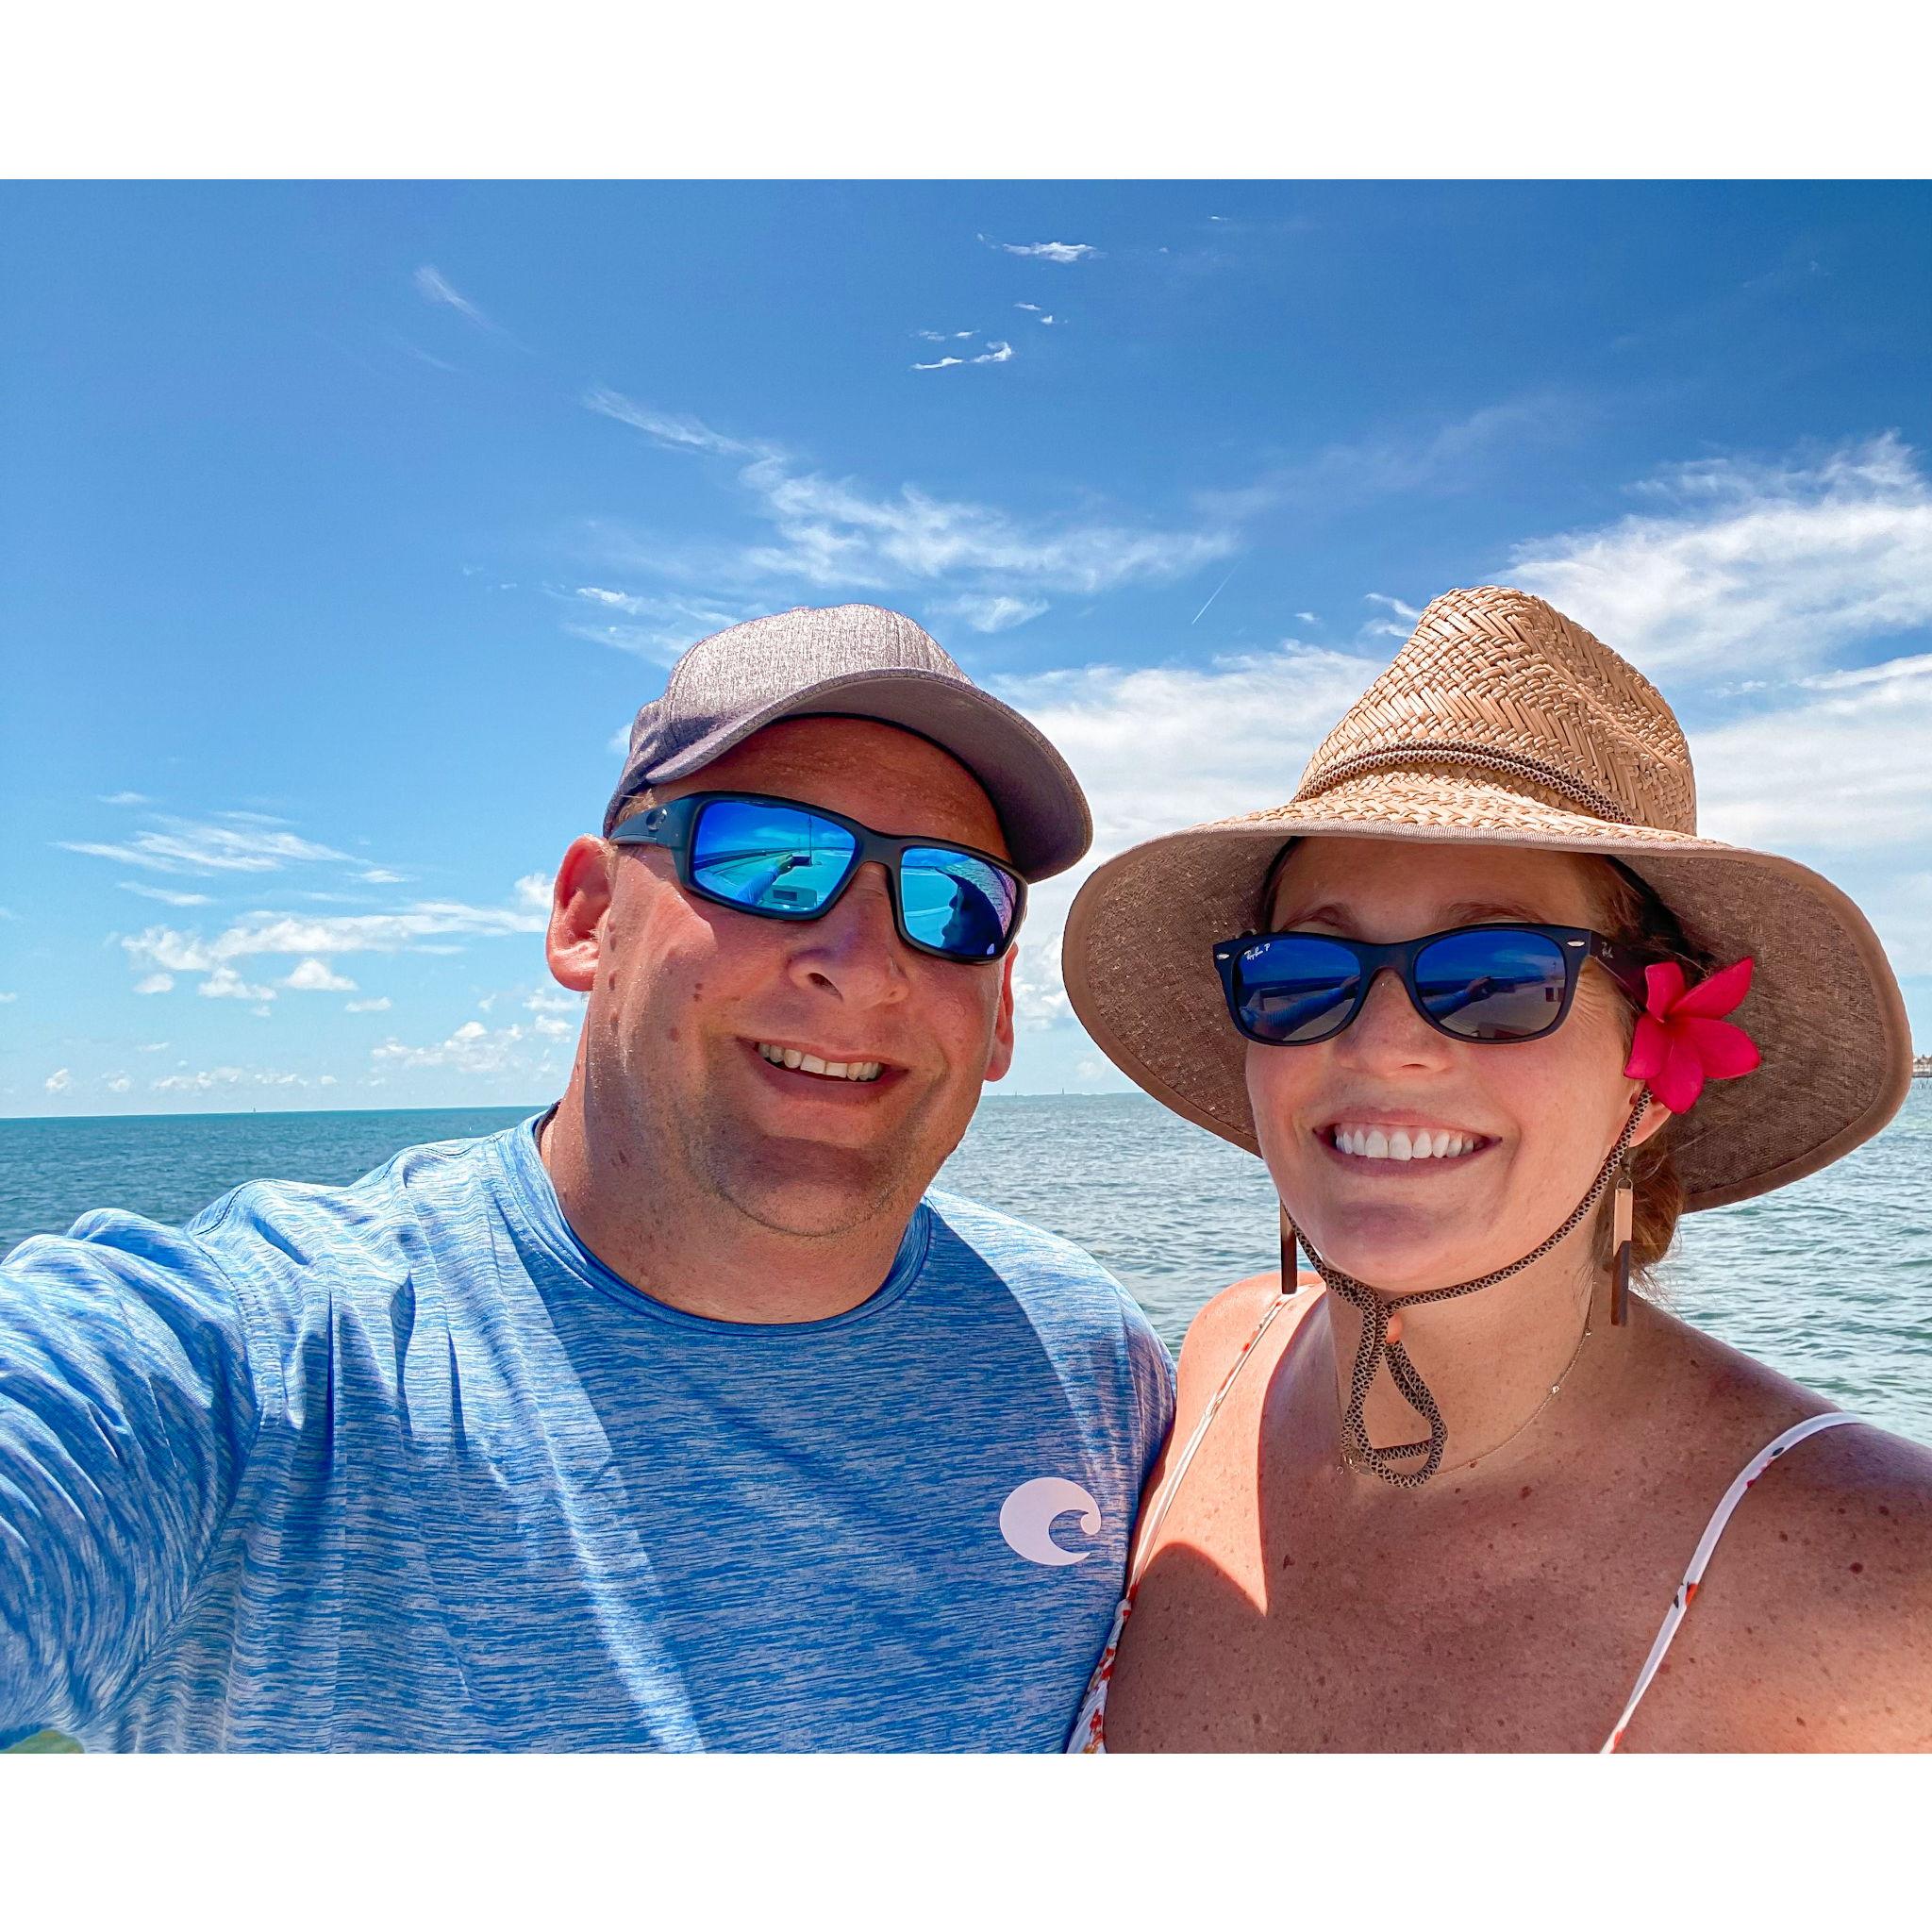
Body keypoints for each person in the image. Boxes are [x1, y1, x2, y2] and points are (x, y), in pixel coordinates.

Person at [0, 604, 1174, 1752]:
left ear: (1000, 1012)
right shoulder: (269, 1365)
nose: (865, 967)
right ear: (588, 914)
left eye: (954, 902)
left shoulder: (1089, 1365)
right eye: (768, 860)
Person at [1060, 584, 1932, 1752]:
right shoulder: (1222, 1353)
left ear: (1646, 1077)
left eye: (1500, 977)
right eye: (1302, 973)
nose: (1380, 1045)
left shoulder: (1883, 1590)